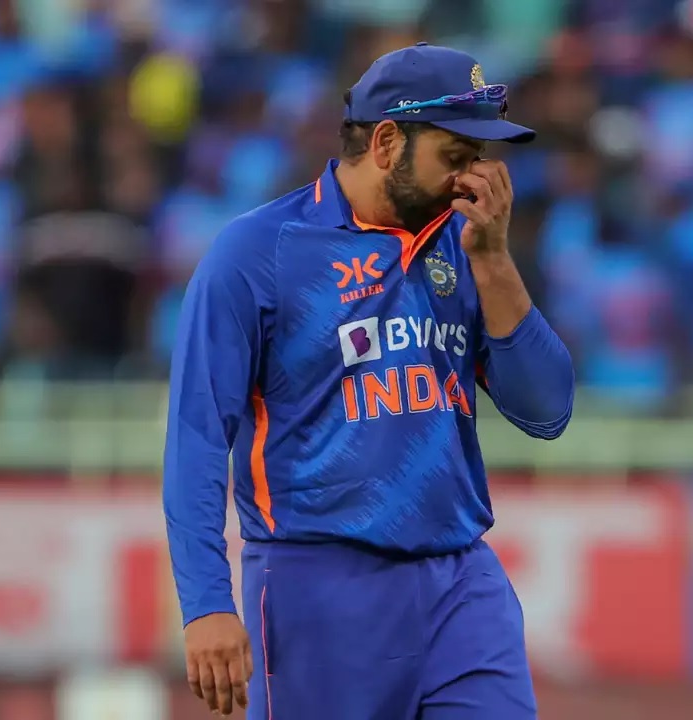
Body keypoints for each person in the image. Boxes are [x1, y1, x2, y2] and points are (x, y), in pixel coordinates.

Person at [162, 43, 575, 719]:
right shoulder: (259, 253)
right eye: (456, 155)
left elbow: (547, 410)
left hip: (462, 584)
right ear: (386, 143)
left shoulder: (467, 242)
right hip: (319, 585)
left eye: (480, 157)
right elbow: (197, 437)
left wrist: (495, 261)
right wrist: (206, 602)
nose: (474, 179)